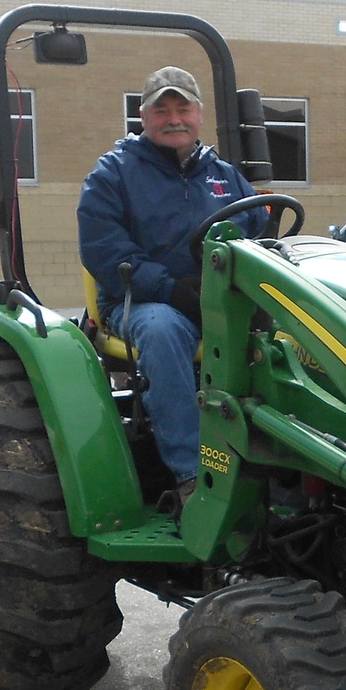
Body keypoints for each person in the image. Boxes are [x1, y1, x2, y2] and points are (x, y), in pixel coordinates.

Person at [78, 66, 266, 502]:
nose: (174, 118)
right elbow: (104, 250)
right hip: (141, 301)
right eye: (162, 110)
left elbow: (259, 230)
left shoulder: (224, 175)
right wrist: (173, 289)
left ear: (199, 114)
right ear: (143, 117)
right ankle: (192, 474)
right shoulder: (113, 174)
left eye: (183, 108)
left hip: (222, 298)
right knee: (164, 332)